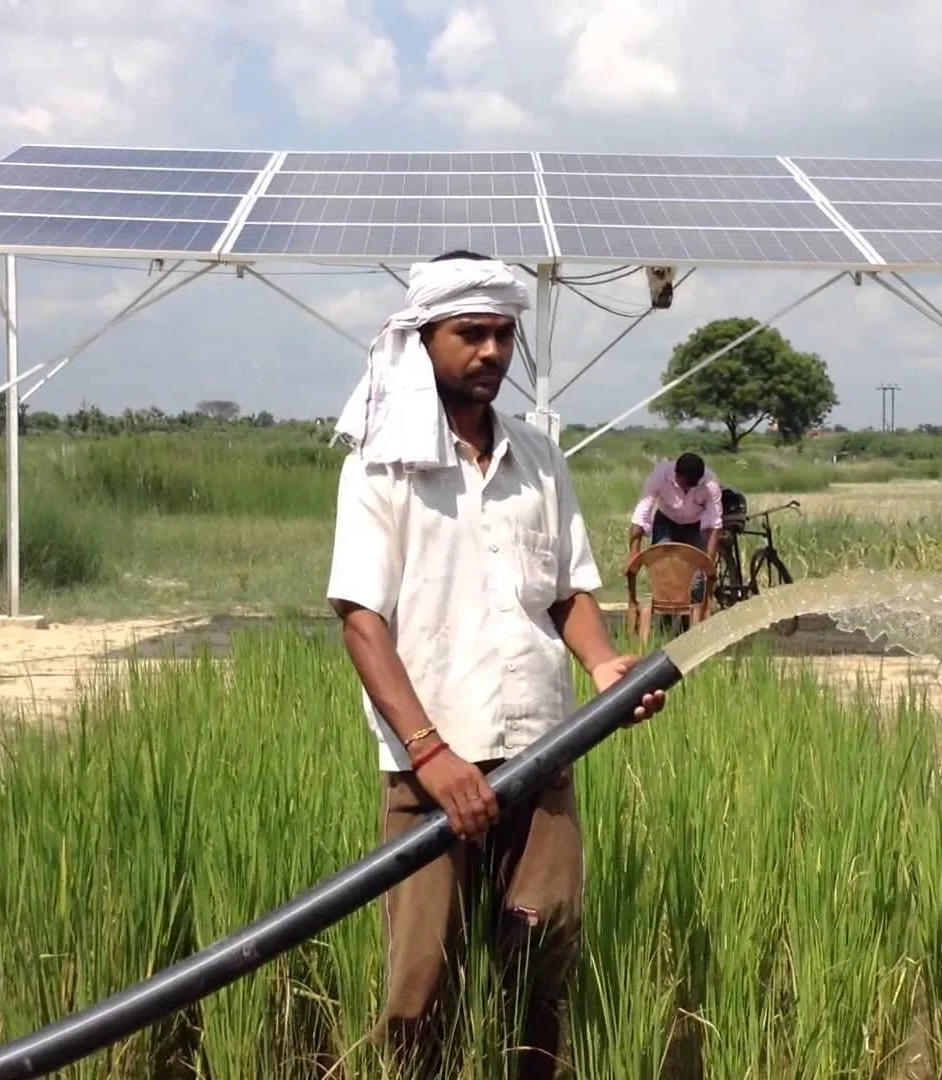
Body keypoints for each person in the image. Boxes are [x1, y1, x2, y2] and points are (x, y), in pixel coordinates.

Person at [325, 250, 665, 1079]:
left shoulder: (540, 458)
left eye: (503, 335)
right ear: (422, 339)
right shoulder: (380, 464)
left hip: (541, 752)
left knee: (540, 967)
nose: (490, 352)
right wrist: (430, 753)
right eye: (469, 334)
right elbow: (361, 620)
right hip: (431, 770)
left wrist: (603, 667)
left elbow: (568, 591)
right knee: (420, 985)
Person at [626, 452, 723, 623]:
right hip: (666, 521)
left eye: (692, 486)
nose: (687, 490)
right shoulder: (659, 476)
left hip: (695, 524)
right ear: (676, 475)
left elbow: (714, 525)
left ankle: (689, 624)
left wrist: (709, 562)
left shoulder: (710, 484)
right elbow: (642, 513)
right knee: (664, 567)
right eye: (684, 485)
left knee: (697, 577)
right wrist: (634, 553)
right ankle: (666, 620)